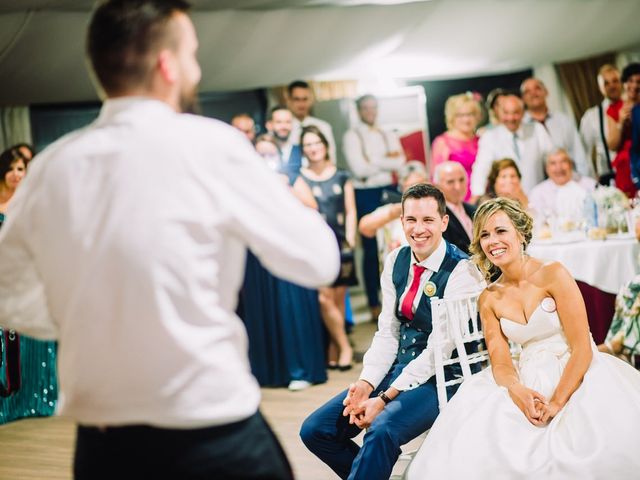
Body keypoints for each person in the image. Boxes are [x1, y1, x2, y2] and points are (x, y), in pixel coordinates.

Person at [0, 1, 340, 479]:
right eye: (192, 54)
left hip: (104, 445)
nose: (195, 68)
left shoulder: (53, 167)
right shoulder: (211, 145)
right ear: (167, 65)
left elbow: (8, 295)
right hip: (211, 431)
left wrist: (91, 316)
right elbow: (319, 260)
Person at [406, 197, 640, 479]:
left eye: (501, 231)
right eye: (484, 234)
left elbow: (581, 347)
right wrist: (517, 391)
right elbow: (501, 363)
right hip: (525, 372)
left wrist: (556, 402)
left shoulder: (554, 274)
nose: (493, 241)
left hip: (575, 368)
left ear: (521, 232)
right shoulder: (489, 298)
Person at [300, 183, 485, 480]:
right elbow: (387, 332)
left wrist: (383, 398)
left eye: (428, 220)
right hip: (400, 369)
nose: (419, 229)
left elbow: (440, 349)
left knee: (382, 429)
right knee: (316, 430)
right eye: (411, 220)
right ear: (401, 222)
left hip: (443, 376)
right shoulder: (396, 261)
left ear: (444, 222)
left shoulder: (462, 271)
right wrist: (365, 383)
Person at [0, 147, 58, 425]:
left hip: (29, 278)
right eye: (11, 168)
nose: (15, 174)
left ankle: (34, 398)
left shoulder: (33, 202)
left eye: (21, 169)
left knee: (32, 341)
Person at [343, 93, 406, 321]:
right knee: (370, 249)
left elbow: (400, 162)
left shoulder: (387, 133)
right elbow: (359, 169)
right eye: (366, 108)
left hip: (389, 188)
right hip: (365, 192)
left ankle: (401, 298)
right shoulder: (353, 135)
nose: (370, 112)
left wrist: (373, 160)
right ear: (359, 111)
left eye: (374, 108)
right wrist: (385, 160)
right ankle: (373, 302)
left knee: (397, 241)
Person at [300, 125, 356, 370]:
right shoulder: (299, 177)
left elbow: (351, 209)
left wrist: (351, 241)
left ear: (325, 146)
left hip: (341, 242)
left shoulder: (341, 175)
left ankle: (333, 348)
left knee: (338, 298)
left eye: (316, 143)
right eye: (308, 145)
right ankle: (344, 346)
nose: (313, 148)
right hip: (315, 245)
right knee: (324, 298)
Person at [471, 94, 553, 200]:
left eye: (516, 113)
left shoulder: (537, 129)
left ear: (523, 113)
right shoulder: (489, 137)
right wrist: (476, 196)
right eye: (506, 113)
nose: (511, 118)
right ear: (499, 113)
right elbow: (482, 168)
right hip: (507, 201)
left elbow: (552, 159)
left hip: (538, 198)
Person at [521, 77, 592, 178]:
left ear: (546, 92)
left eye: (537, 88)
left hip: (568, 180)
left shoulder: (563, 120)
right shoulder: (521, 127)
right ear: (523, 99)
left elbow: (579, 154)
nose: (533, 93)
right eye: (527, 91)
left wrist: (584, 180)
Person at [358, 161, 427, 260]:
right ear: (402, 188)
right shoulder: (393, 209)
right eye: (411, 186)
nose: (418, 191)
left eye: (422, 185)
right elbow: (364, 227)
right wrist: (393, 213)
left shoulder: (436, 207)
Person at [430, 92, 481, 200]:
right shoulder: (443, 142)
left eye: (470, 114)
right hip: (456, 200)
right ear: (452, 117)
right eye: (460, 115)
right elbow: (436, 180)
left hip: (482, 198)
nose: (466, 119)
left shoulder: (480, 140)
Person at [528, 148, 596, 227]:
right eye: (553, 163)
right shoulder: (537, 193)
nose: (559, 168)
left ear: (570, 164)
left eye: (563, 161)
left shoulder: (590, 185)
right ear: (547, 169)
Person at [579, 64, 623, 183]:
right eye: (606, 83)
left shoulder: (633, 107)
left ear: (621, 82)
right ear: (600, 87)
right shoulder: (591, 116)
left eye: (615, 81)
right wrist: (591, 179)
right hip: (610, 177)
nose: (612, 86)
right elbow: (583, 153)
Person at [606, 62, 640, 197]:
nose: (634, 86)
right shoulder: (614, 109)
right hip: (625, 166)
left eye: (639, 81)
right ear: (624, 83)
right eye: (630, 81)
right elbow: (612, 145)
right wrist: (620, 122)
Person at [286, 80, 336, 163]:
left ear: (310, 100)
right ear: (289, 101)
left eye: (305, 99)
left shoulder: (323, 127)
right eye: (297, 99)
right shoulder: (284, 128)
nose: (301, 104)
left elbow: (330, 156)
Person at [434, 161, 476, 253]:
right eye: (450, 182)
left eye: (461, 180)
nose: (458, 187)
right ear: (438, 186)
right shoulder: (436, 215)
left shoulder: (474, 209)